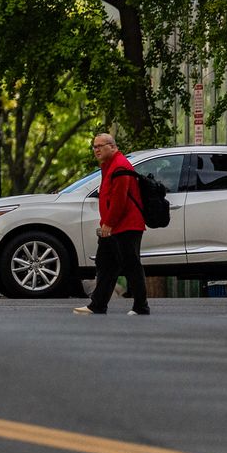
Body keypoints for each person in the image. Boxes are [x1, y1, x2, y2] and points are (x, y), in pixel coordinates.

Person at [74, 132, 150, 316]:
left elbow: (119, 200)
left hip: (125, 226)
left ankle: (141, 307)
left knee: (131, 265)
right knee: (106, 265)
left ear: (112, 147)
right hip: (114, 227)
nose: (96, 149)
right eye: (94, 146)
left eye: (100, 146)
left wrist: (109, 223)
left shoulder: (120, 166)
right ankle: (97, 305)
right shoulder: (109, 166)